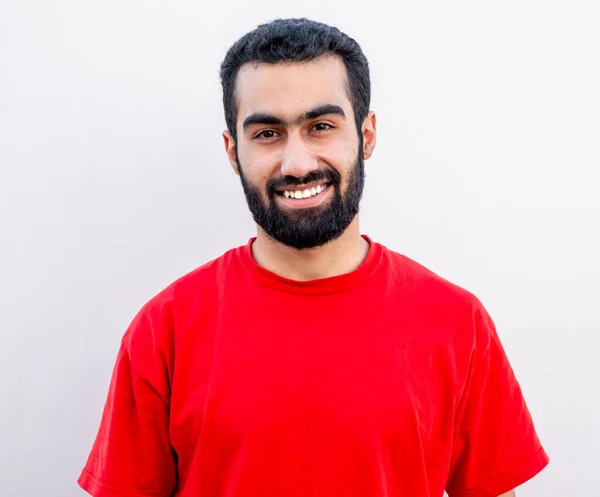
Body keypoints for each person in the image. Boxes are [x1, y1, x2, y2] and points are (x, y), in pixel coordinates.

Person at [78, 18, 549, 497]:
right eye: (267, 133)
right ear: (232, 151)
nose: (297, 163)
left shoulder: (457, 322)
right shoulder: (164, 331)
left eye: (321, 127)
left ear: (366, 136)